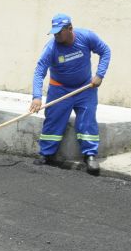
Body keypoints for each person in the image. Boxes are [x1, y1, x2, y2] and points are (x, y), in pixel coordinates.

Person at [30, 13, 112, 175]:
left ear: (70, 29)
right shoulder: (51, 48)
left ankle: (90, 156)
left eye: (60, 31)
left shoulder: (86, 37)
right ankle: (47, 154)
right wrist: (37, 97)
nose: (56, 35)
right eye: (54, 32)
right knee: (53, 120)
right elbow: (39, 72)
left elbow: (105, 51)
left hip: (85, 88)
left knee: (87, 121)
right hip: (59, 89)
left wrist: (99, 75)